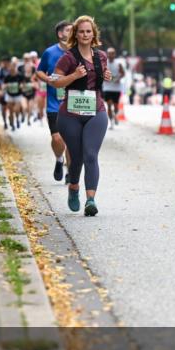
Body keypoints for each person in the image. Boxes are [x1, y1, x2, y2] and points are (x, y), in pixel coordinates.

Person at [49, 15, 112, 216]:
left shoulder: (101, 56)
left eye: (88, 31)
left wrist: (108, 76)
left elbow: (101, 78)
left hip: (96, 111)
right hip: (70, 114)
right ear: (75, 34)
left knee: (91, 155)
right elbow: (55, 82)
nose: (85, 35)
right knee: (76, 157)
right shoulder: (68, 57)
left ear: (93, 34)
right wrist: (74, 76)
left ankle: (91, 200)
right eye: (81, 31)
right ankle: (73, 188)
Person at [36, 21, 72, 181]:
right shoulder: (50, 52)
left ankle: (71, 173)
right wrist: (49, 80)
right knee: (57, 138)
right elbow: (39, 71)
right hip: (54, 104)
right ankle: (59, 159)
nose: (72, 32)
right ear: (60, 34)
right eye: (69, 30)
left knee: (71, 142)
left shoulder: (78, 52)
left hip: (73, 103)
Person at [103, 47, 126, 128]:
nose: (110, 55)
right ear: (107, 54)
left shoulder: (118, 64)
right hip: (107, 88)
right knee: (109, 105)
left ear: (115, 54)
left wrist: (118, 78)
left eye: (112, 53)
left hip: (116, 88)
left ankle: (115, 114)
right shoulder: (104, 64)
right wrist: (103, 77)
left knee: (116, 106)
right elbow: (101, 73)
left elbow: (123, 74)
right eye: (109, 53)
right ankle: (111, 121)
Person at [19, 60, 36, 126]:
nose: (28, 68)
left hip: (31, 95)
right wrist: (22, 86)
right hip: (24, 94)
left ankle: (28, 120)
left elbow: (37, 85)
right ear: (25, 68)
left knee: (30, 108)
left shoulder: (34, 76)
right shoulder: (22, 76)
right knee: (25, 107)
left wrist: (33, 84)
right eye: (27, 67)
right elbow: (19, 86)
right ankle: (23, 115)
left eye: (29, 67)